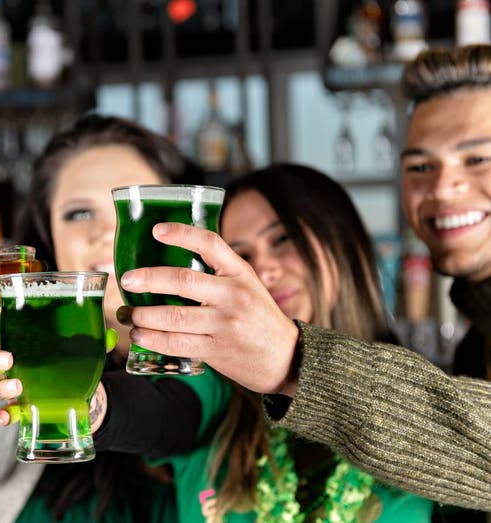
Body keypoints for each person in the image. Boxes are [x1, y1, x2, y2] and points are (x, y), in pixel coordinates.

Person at [117, 45, 491, 511]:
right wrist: (79, 401)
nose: (442, 187)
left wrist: (292, 360)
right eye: (420, 166)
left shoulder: (425, 378)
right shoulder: (475, 346)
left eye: (478, 158)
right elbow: (157, 413)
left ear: (342, 242)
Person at [0, 114, 206, 522]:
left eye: (132, 207)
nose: (107, 230)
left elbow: (177, 416)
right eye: (79, 214)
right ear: (48, 235)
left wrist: (89, 404)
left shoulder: (223, 354)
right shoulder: (14, 341)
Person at [167, 164, 431, 521]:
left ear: (341, 239)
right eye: (242, 256)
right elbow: (152, 410)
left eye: (282, 239)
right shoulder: (215, 394)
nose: (263, 271)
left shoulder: (420, 404)